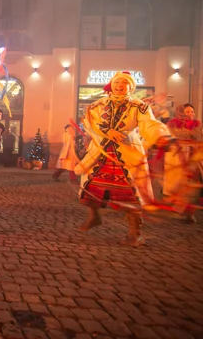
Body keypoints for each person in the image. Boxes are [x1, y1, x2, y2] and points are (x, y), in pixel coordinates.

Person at [75, 71, 172, 246]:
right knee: (91, 187)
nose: (120, 85)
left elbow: (149, 124)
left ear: (131, 86)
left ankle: (135, 233)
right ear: (111, 84)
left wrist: (161, 137)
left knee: (130, 195)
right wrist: (107, 131)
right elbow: (90, 122)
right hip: (101, 153)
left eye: (124, 83)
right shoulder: (98, 105)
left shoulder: (138, 106)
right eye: (117, 82)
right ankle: (94, 216)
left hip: (127, 154)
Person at [163, 103, 201, 223]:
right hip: (176, 155)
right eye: (188, 112)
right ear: (181, 113)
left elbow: (199, 138)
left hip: (192, 155)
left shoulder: (197, 124)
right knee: (177, 182)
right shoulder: (172, 123)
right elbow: (167, 137)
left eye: (192, 112)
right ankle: (178, 208)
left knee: (192, 183)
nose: (191, 114)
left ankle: (189, 212)